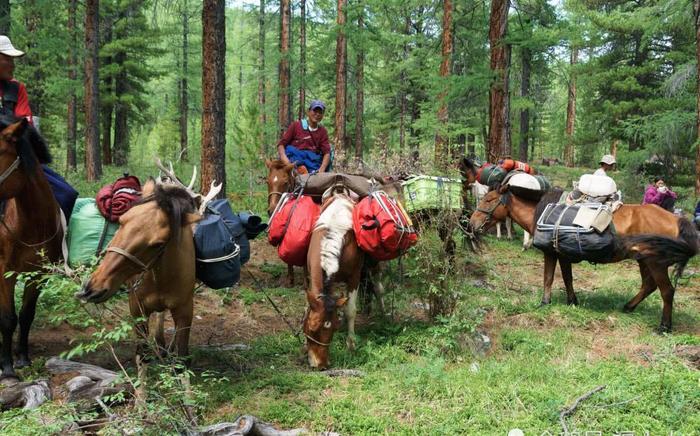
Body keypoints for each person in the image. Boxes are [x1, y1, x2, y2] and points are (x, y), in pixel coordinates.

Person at [277, 100, 331, 174]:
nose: (317, 114)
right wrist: (285, 160)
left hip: (312, 165)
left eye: (320, 112)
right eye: (315, 111)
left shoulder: (322, 131)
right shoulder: (296, 125)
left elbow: (327, 153)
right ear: (308, 112)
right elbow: (281, 144)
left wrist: (321, 169)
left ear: (322, 115)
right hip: (293, 162)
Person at [0, 35, 33, 124]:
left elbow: (25, 128)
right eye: (8, 59)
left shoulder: (16, 89)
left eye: (13, 60)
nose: (13, 65)